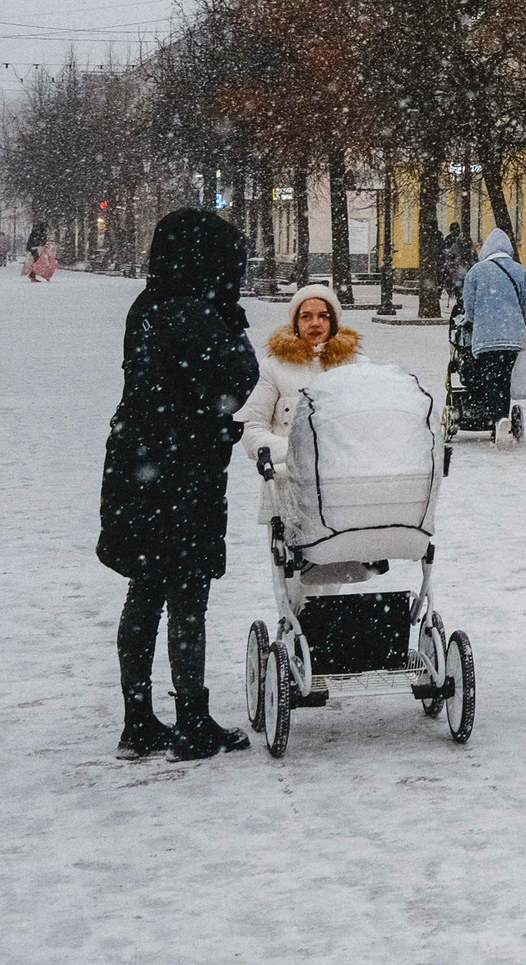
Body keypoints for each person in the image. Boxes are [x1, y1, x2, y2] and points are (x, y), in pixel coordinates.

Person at [96, 208, 260, 761]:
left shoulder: (148, 306)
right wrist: (234, 329)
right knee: (188, 595)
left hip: (137, 463)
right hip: (182, 470)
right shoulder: (197, 314)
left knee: (144, 591)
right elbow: (238, 379)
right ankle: (192, 719)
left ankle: (138, 719)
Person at [242, 283, 366, 522]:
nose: (315, 323)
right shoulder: (273, 368)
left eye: (323, 316)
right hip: (289, 489)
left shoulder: (357, 365)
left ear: (333, 322)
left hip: (346, 488)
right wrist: (294, 452)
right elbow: (252, 427)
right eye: (306, 316)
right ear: (295, 322)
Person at [458, 227, 526, 430]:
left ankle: (496, 421)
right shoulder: (520, 271)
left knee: (489, 378)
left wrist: (477, 320)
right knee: (504, 379)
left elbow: (469, 306)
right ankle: (503, 418)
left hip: (485, 336)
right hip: (512, 336)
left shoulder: (476, 271)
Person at [439, 222, 473, 312]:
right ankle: (461, 302)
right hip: (463, 269)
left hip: (456, 269)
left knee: (456, 286)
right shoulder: (466, 241)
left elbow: (446, 255)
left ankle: (458, 301)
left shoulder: (449, 239)